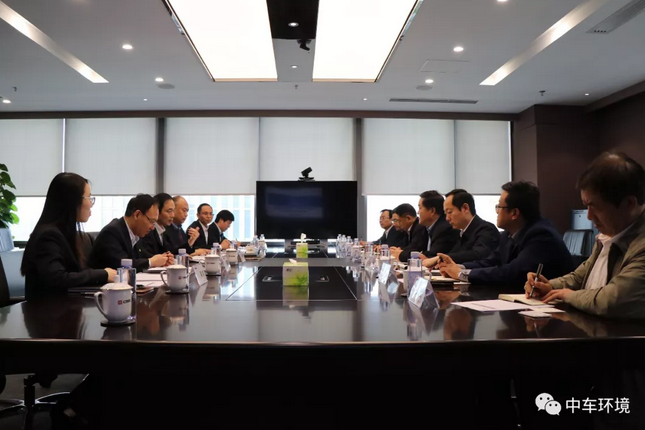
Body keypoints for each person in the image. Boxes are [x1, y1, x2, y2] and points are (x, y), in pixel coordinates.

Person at [526, 152, 645, 318]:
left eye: (595, 206)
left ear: (628, 203)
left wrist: (569, 296)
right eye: (586, 205)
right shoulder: (609, 235)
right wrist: (549, 286)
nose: (588, 216)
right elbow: (580, 277)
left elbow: (614, 300)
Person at [438, 181, 574, 287]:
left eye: (499, 207)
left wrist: (462, 274)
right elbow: (492, 261)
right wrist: (458, 267)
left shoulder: (541, 235)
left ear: (514, 213)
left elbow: (513, 272)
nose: (497, 211)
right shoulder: (508, 234)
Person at [21, 173, 116, 300]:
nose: (91, 203)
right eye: (88, 197)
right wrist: (103, 274)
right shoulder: (48, 236)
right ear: (72, 201)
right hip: (46, 310)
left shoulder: (64, 233)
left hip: (64, 307)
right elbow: (57, 278)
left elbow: (75, 273)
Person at [88, 194, 173, 272]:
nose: (153, 227)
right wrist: (150, 262)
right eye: (151, 221)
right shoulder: (112, 232)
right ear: (137, 215)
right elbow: (122, 264)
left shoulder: (135, 233)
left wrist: (163, 258)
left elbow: (140, 257)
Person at [423, 189, 500, 267]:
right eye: (446, 214)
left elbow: (478, 254)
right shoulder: (463, 232)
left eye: (449, 212)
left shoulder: (486, 229)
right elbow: (455, 254)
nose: (447, 218)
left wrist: (440, 258)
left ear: (465, 208)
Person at [139, 193, 175, 258]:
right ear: (157, 210)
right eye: (169, 211)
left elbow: (171, 251)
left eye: (173, 211)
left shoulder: (164, 230)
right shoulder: (146, 230)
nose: (173, 215)